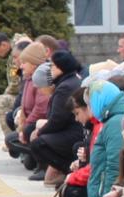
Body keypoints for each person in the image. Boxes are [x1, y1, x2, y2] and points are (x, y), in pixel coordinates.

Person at [29, 51, 85, 185]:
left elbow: (58, 119)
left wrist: (40, 132)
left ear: (61, 68)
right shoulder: (69, 81)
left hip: (73, 131)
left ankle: (69, 170)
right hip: (73, 129)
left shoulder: (65, 87)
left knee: (38, 143)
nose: (50, 69)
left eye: (53, 66)